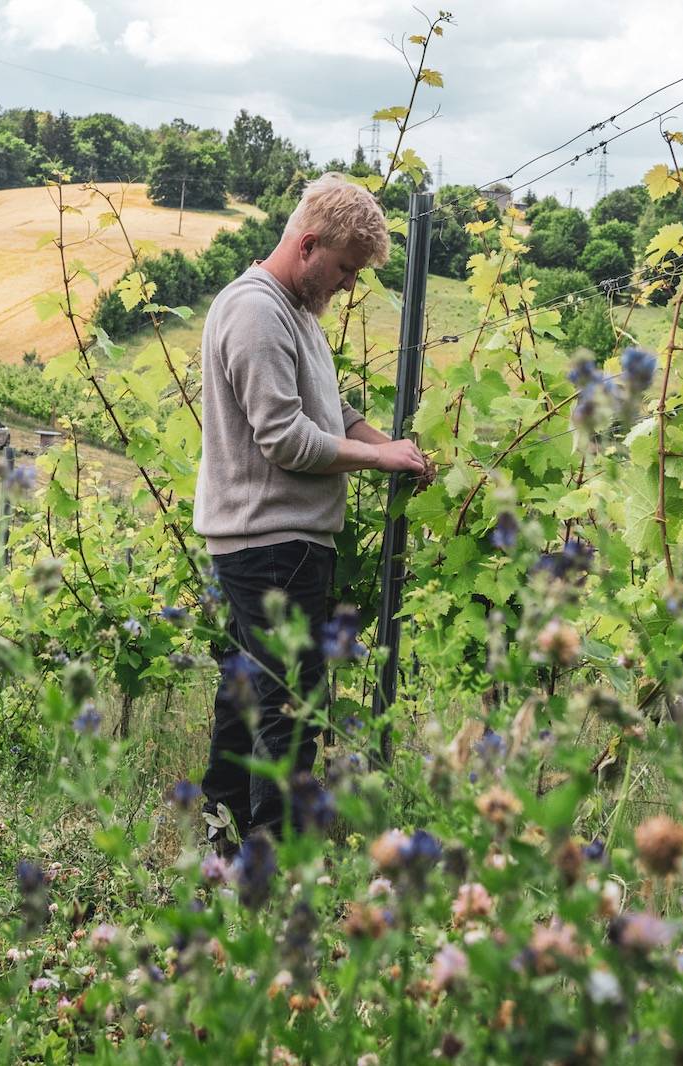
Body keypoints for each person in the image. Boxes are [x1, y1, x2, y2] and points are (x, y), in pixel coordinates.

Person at [194, 172, 433, 843]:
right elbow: (284, 438)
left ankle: (226, 837)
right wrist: (379, 461)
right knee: (287, 707)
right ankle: (274, 866)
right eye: (346, 269)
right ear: (309, 245)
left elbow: (333, 413)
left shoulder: (293, 314)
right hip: (272, 541)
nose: (348, 285)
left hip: (275, 539)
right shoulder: (255, 311)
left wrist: (393, 447)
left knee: (250, 698)